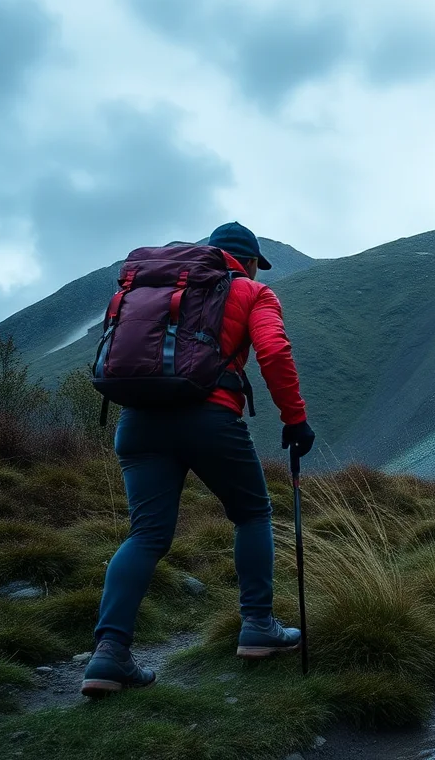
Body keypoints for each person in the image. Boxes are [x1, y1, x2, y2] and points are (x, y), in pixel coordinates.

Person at [82, 222, 316, 697]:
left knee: (146, 535)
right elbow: (272, 350)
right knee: (251, 513)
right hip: (211, 418)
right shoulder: (252, 291)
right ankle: (257, 626)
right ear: (248, 261)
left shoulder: (160, 287)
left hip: (139, 420)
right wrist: (295, 420)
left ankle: (108, 656)